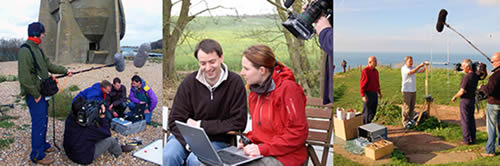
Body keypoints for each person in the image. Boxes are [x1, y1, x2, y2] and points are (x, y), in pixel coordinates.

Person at [164, 39, 248, 166]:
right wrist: (188, 144)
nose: (208, 68)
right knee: (168, 155)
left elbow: (239, 122)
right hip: (186, 138)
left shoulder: (235, 83)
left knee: (195, 161)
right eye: (203, 63)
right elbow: (175, 120)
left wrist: (200, 125)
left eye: (212, 62)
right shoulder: (189, 83)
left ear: (221, 58)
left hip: (218, 140)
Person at [239, 45, 308, 166]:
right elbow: (262, 130)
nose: (242, 72)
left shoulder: (288, 90)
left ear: (262, 70)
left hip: (287, 157)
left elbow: (298, 132)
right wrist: (248, 139)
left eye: (246, 68)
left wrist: (263, 149)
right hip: (265, 152)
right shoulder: (255, 93)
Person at [17, 22, 72, 164]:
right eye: (42, 33)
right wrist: (35, 95)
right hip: (35, 95)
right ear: (37, 33)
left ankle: (43, 146)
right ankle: (37, 155)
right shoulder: (25, 50)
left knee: (44, 121)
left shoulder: (38, 49)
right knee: (39, 124)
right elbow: (24, 78)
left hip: (42, 92)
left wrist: (65, 71)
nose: (43, 36)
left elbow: (49, 65)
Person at [63, 97, 133, 164]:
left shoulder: (70, 118)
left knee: (92, 136)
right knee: (110, 140)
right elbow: (107, 133)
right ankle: (119, 151)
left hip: (69, 152)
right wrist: (102, 116)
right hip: (84, 158)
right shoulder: (88, 129)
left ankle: (114, 146)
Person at [451, 59, 479, 145]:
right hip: (472, 100)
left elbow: (462, 91)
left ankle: (466, 140)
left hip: (465, 100)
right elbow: (483, 75)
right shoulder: (475, 76)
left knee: (465, 120)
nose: (462, 68)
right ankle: (473, 138)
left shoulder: (466, 77)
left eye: (463, 67)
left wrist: (455, 96)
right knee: (471, 119)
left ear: (467, 67)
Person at [481, 53, 500, 157]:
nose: (491, 63)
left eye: (493, 62)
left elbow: (489, 91)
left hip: (494, 105)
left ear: (499, 62)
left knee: (492, 127)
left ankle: (490, 150)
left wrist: (482, 87)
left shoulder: (495, 76)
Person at [401, 56, 426, 128]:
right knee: (407, 107)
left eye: (412, 61)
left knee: (412, 106)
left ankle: (411, 119)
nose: (411, 62)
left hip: (413, 90)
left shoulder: (412, 67)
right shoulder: (404, 68)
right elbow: (412, 72)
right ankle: (405, 122)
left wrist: (424, 68)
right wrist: (420, 65)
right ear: (406, 62)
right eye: (410, 61)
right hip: (406, 90)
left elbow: (419, 71)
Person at [360, 56, 382, 124]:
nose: (376, 63)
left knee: (373, 111)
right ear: (370, 62)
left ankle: (369, 125)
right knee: (367, 112)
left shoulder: (376, 71)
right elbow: (362, 84)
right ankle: (365, 128)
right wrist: (363, 95)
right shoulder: (365, 71)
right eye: (374, 61)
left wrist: (379, 92)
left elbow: (377, 82)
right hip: (368, 94)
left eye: (376, 61)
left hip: (374, 94)